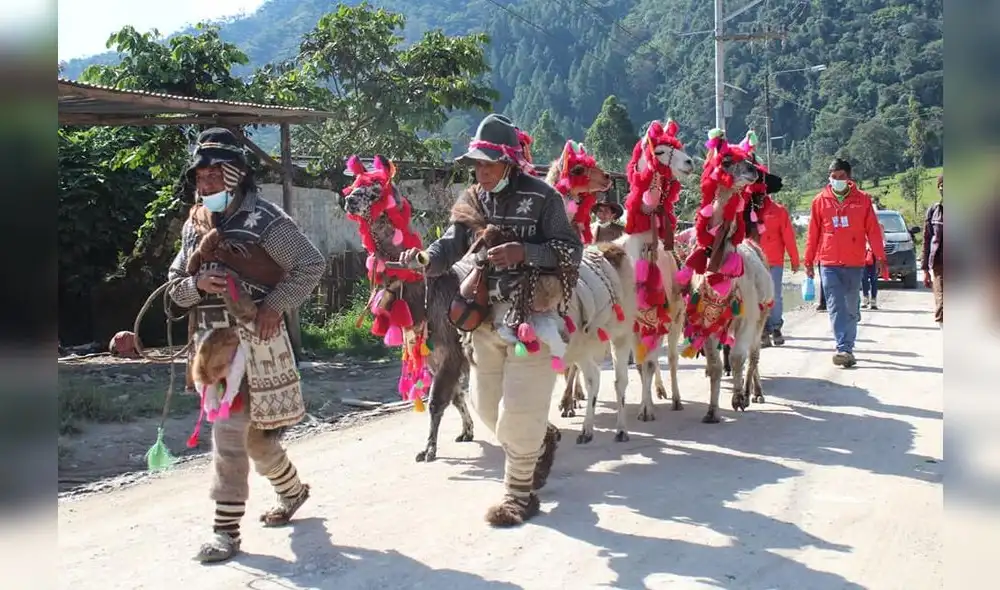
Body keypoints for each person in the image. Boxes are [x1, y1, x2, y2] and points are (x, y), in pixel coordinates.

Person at [400, 114, 582, 526]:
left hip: (531, 317)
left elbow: (571, 250)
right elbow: (450, 245)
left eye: (488, 163)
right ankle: (540, 438)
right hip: (483, 320)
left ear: (510, 163)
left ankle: (518, 495)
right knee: (486, 408)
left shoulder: (543, 197)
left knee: (519, 411)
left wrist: (527, 253)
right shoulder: (472, 201)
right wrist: (425, 258)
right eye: (476, 164)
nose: (480, 171)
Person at [167, 128, 326, 563]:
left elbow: (310, 263)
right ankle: (292, 492)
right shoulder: (194, 223)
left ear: (235, 174)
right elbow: (174, 287)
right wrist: (196, 283)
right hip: (214, 350)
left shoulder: (267, 220)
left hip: (258, 342)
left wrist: (276, 305)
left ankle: (225, 531)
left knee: (230, 434)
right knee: (252, 438)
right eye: (200, 176)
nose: (206, 183)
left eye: (215, 174)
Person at [804, 158, 887, 368]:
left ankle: (850, 328)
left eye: (841, 176)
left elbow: (873, 231)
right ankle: (844, 347)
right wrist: (808, 260)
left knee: (850, 305)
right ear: (829, 177)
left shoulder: (863, 200)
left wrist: (880, 257)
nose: (837, 180)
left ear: (849, 178)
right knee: (835, 305)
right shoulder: (819, 201)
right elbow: (813, 233)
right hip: (828, 261)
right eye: (833, 176)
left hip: (854, 262)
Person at [750, 174, 800, 347]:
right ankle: (762, 329)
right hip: (753, 261)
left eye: (762, 192)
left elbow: (789, 237)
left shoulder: (779, 211)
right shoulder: (747, 212)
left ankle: (776, 327)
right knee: (757, 296)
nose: (760, 196)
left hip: (774, 261)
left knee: (775, 295)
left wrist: (794, 259)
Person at [921, 173, 944, 327]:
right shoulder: (934, 211)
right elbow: (926, 240)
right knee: (942, 307)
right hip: (940, 265)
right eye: (942, 186)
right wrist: (924, 270)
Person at [861, 223, 885, 310]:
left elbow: (883, 241)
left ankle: (873, 301)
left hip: (875, 256)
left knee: (874, 279)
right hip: (864, 255)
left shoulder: (879, 226)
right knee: (863, 278)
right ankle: (865, 297)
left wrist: (879, 256)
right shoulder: (861, 226)